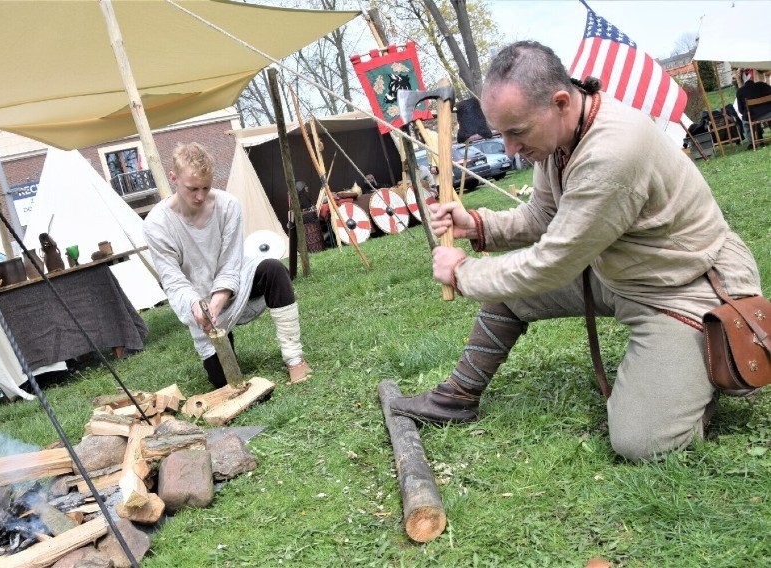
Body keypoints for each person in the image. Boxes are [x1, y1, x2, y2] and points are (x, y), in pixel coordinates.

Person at [390, 41, 761, 462]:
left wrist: (462, 273)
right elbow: (544, 217)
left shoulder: (612, 152)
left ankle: (706, 374)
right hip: (624, 273)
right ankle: (457, 396)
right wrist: (479, 226)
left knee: (641, 442)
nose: (510, 150)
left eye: (517, 133)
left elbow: (553, 262)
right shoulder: (560, 138)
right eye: (502, 135)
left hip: (687, 286)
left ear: (560, 101)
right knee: (508, 292)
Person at [142, 142, 312, 387]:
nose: (200, 196)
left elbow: (231, 263)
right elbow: (173, 280)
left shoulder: (228, 205)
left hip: (234, 285)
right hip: (199, 303)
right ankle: (221, 347)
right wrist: (198, 305)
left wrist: (217, 300)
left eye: (206, 187)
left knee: (273, 269)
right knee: (223, 381)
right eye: (192, 189)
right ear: (173, 178)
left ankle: (295, 359)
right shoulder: (156, 225)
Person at [735, 68, 771, 144]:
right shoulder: (763, 85)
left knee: (745, 122)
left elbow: (741, 110)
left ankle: (752, 143)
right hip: (769, 113)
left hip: (753, 116)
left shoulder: (740, 92)